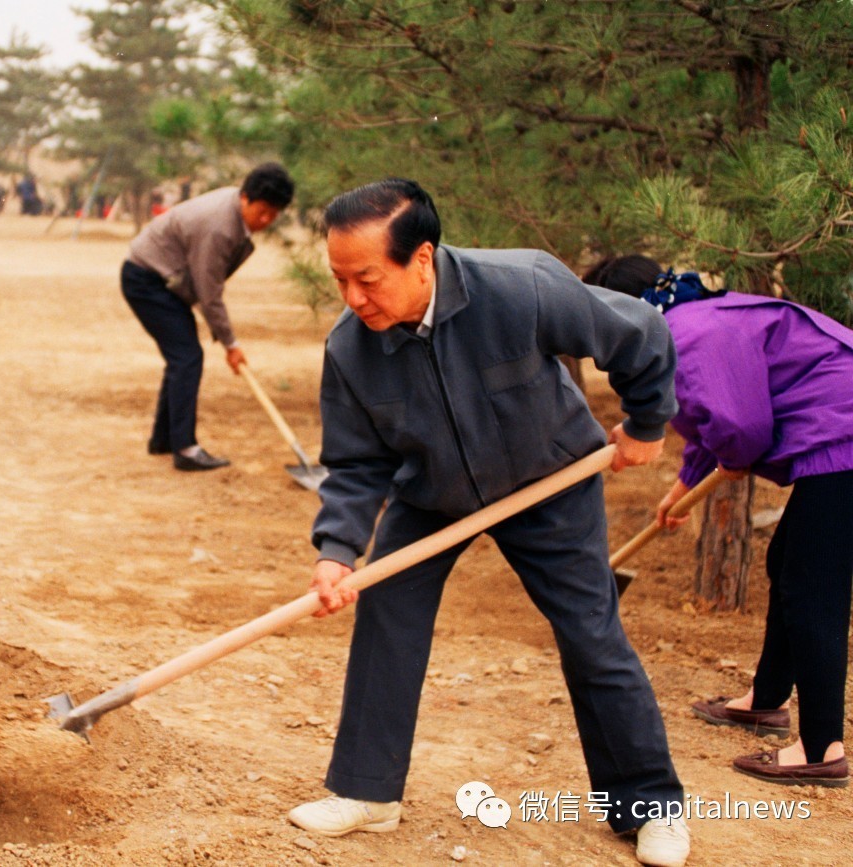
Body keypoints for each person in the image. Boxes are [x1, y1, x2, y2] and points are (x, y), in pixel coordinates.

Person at [288, 180, 689, 867]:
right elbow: (355, 465)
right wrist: (337, 550)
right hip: (431, 494)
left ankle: (649, 805)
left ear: (422, 258)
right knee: (387, 611)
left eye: (367, 278)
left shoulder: (521, 286)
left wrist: (647, 422)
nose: (353, 297)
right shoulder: (352, 348)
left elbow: (639, 334)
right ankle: (367, 792)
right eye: (339, 279)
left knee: (591, 634)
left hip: (548, 483)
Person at [591, 255, 853, 789]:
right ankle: (766, 699)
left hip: (844, 436)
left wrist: (733, 457)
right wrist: (682, 491)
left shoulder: (687, 336)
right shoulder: (689, 323)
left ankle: (822, 747)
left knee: (812, 587)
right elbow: (713, 415)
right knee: (788, 563)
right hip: (837, 434)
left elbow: (740, 428)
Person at [122, 163, 295, 471]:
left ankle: (164, 440)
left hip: (163, 281)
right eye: (262, 211)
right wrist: (231, 343)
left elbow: (205, 290)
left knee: (182, 355)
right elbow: (208, 292)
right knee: (187, 356)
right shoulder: (219, 227)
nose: (266, 220)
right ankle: (185, 449)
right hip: (146, 280)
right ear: (245, 198)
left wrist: (227, 339)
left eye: (274, 214)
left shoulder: (233, 212)